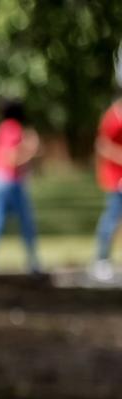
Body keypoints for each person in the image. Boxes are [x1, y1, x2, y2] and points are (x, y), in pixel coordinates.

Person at [0, 100, 41, 275]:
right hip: (7, 182)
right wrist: (31, 150)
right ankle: (33, 264)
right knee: (25, 222)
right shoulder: (13, 128)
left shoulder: (2, 128)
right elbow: (11, 159)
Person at [92, 94, 122, 282]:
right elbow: (102, 145)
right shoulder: (114, 117)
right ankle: (101, 260)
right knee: (111, 219)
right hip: (115, 178)